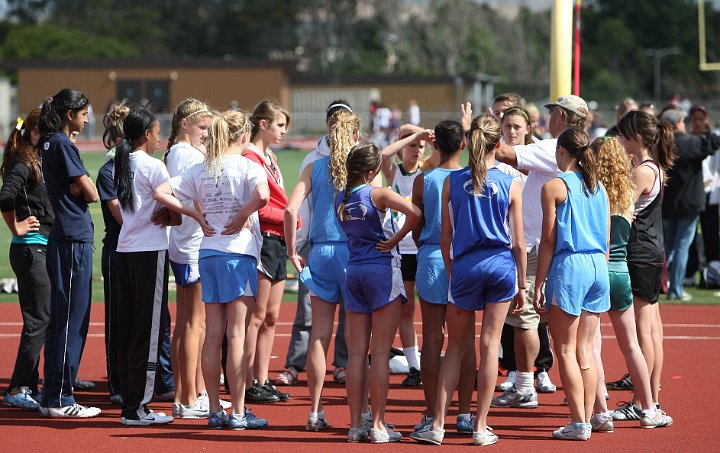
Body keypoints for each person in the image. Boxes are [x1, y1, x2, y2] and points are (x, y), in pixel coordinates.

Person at [411, 114, 526, 446]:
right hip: (500, 265)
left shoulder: (451, 182)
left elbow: (445, 238)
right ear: (497, 144)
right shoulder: (510, 183)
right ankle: (479, 426)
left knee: (455, 346)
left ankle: (437, 425)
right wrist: (522, 284)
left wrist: (452, 270)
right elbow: (518, 242)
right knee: (489, 346)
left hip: (464, 265)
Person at [154, 109, 271, 430]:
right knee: (236, 334)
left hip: (208, 254)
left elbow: (160, 192)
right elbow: (263, 195)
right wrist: (241, 214)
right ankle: (237, 411)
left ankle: (216, 410)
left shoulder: (201, 169)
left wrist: (196, 215)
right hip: (238, 253)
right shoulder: (248, 165)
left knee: (212, 335)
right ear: (244, 136)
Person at [336, 142, 421, 443]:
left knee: (356, 355)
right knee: (381, 353)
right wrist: (396, 238)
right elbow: (415, 212)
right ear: (372, 172)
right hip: (382, 270)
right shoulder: (379, 193)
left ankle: (355, 424)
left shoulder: (341, 197)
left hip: (354, 271)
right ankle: (379, 426)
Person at [589, 136, 673, 432]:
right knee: (632, 345)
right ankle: (649, 407)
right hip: (621, 272)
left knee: (591, 346)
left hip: (596, 270)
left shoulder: (592, 193)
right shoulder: (626, 195)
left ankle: (600, 412)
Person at [533, 127, 610, 441]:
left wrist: (539, 283)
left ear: (562, 151)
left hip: (572, 263)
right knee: (585, 351)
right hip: (597, 265)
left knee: (564, 349)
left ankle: (579, 423)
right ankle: (586, 419)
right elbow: (605, 238)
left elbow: (548, 241)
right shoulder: (598, 187)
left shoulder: (555, 186)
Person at [275, 100, 351, 387]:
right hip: (351, 251)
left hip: (319, 250)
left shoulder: (314, 166)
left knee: (319, 329)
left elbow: (290, 209)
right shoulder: (359, 163)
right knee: (356, 328)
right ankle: (363, 415)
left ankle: (315, 408)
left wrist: (291, 248)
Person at [38, 88, 101, 418]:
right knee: (71, 320)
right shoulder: (62, 144)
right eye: (83, 111)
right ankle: (61, 397)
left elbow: (81, 187)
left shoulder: (50, 142)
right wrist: (82, 185)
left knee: (63, 320)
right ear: (69, 113)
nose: (88, 116)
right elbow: (89, 192)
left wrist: (80, 185)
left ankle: (52, 394)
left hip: (65, 236)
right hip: (72, 238)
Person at [411, 120, 476, 435]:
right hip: (464, 259)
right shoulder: (472, 178)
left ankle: (431, 412)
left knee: (432, 338)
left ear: (434, 144)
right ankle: (465, 413)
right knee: (465, 339)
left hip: (433, 257)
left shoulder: (423, 180)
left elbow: (416, 224)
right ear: (463, 144)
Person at [611, 110, 676, 421]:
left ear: (635, 137)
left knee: (643, 332)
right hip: (651, 252)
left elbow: (620, 209)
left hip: (639, 253)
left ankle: (642, 400)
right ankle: (650, 396)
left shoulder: (643, 171)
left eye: (623, 135)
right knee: (652, 330)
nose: (621, 140)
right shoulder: (652, 167)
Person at [113, 108, 176, 426]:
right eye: (156, 131)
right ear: (148, 135)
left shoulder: (120, 164)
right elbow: (174, 211)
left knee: (129, 330)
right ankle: (137, 407)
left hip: (125, 249)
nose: (159, 136)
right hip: (150, 251)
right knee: (149, 331)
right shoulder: (154, 167)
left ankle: (130, 400)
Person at [494, 105, 557, 406]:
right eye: (507, 126)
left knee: (530, 317)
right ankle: (523, 378)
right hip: (515, 244)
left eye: (518, 126)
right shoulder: (526, 156)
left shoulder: (539, 153)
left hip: (531, 244)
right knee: (520, 318)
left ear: (529, 128)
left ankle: (530, 380)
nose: (512, 131)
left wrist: (476, 132)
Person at [164, 98, 215, 418]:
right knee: (195, 324)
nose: (207, 134)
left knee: (187, 323)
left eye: (209, 128)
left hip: (185, 243)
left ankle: (191, 392)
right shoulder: (185, 155)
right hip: (192, 244)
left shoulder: (180, 153)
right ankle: (186, 399)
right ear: (184, 124)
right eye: (202, 127)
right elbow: (195, 196)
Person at [0, 109, 52, 411]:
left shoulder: (34, 160)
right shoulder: (23, 163)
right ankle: (18, 387)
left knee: (40, 318)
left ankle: (29, 383)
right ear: (33, 133)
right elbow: (5, 196)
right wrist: (16, 226)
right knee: (38, 319)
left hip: (36, 247)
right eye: (44, 131)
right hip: (31, 248)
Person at [242, 100, 293, 403]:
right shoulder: (250, 157)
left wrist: (289, 218)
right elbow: (258, 207)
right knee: (256, 316)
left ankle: (262, 379)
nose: (283, 132)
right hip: (262, 240)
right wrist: (290, 216)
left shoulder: (270, 156)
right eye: (279, 125)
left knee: (272, 316)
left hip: (278, 242)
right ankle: (247, 380)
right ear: (263, 124)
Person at [379, 124, 433, 387]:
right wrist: (412, 135)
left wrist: (423, 136)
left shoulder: (428, 170)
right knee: (406, 309)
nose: (417, 150)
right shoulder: (393, 173)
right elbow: (382, 154)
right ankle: (414, 366)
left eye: (420, 147)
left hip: (423, 247)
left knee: (433, 307)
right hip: (401, 249)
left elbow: (443, 145)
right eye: (412, 146)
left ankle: (429, 361)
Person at [660, 107, 720, 301]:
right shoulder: (687, 143)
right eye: (682, 121)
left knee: (667, 248)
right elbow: (711, 143)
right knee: (681, 247)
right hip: (689, 204)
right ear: (677, 123)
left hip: (667, 204)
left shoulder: (660, 144)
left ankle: (660, 285)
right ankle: (676, 289)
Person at [97, 100, 131, 405]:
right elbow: (122, 217)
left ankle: (138, 381)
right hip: (118, 250)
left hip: (139, 249)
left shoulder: (139, 166)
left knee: (139, 319)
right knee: (117, 320)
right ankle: (117, 384)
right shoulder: (109, 170)